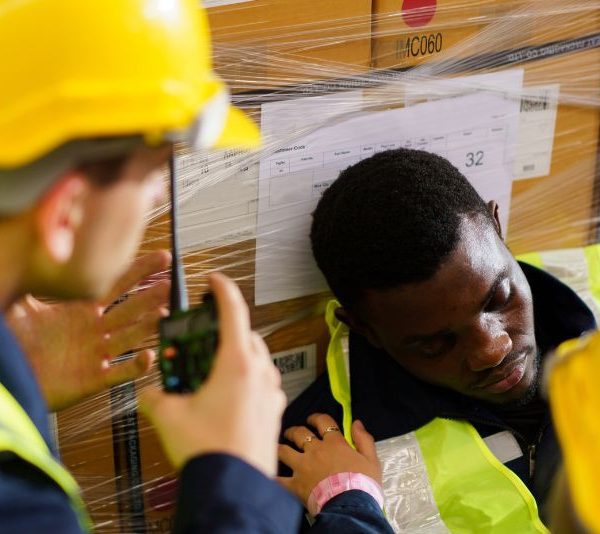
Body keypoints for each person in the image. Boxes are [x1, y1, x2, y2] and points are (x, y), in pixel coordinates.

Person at [0, 1, 393, 532]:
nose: (160, 193)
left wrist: (16, 377)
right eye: (153, 172)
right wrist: (234, 475)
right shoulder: (20, 505)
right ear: (65, 213)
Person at [281, 148, 596, 531]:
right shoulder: (314, 456)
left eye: (498, 298)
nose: (492, 350)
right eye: (434, 344)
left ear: (497, 228)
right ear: (365, 328)